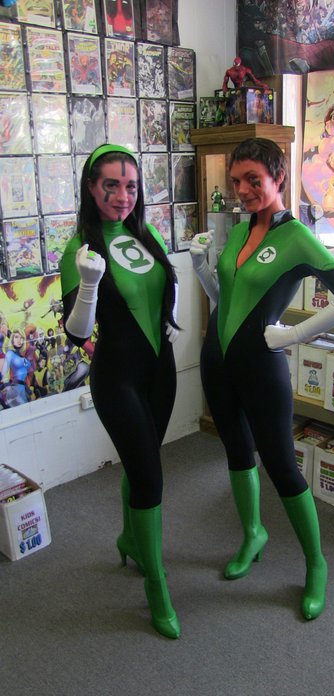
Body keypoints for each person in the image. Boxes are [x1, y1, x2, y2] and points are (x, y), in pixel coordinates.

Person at [190, 137, 334, 621]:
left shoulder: (297, 238)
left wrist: (294, 334)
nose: (243, 190)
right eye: (236, 181)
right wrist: (201, 268)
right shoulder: (239, 231)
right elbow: (226, 299)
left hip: (261, 367)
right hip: (218, 361)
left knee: (282, 466)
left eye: (254, 180)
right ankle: (253, 533)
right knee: (235, 451)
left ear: (279, 178)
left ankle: (316, 564)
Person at [60, 144, 180, 639]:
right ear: (92, 187)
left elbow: (160, 287)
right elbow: (75, 334)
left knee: (141, 460)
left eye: (131, 186)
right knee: (150, 477)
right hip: (117, 378)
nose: (122, 196)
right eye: (111, 185)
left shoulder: (145, 234)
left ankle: (130, 539)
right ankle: (156, 585)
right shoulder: (79, 249)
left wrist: (170, 317)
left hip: (161, 370)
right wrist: (89, 284)